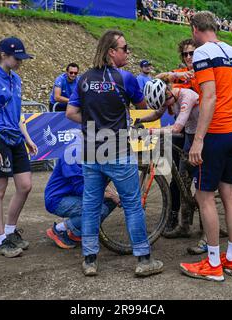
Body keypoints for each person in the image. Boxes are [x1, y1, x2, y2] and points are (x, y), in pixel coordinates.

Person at [65, 30, 164, 277]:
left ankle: (89, 260)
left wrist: (92, 125)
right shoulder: (126, 79)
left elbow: (70, 113)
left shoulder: (84, 79)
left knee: (90, 206)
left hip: (91, 150)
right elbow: (144, 108)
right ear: (111, 51)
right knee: (132, 205)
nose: (127, 52)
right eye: (124, 48)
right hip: (118, 150)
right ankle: (144, 259)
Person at [180, 11, 232, 282]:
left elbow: (208, 97)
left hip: (216, 133)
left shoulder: (203, 53)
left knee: (204, 197)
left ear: (195, 29)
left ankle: (213, 263)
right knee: (228, 195)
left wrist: (198, 139)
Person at [0, 37, 38, 258]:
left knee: (25, 185)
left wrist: (27, 138)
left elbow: (18, 114)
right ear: (3, 55)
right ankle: (1, 239)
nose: (20, 61)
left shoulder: (17, 79)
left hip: (15, 137)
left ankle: (11, 231)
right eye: (17, 57)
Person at [154, 38, 198, 239]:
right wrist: (177, 74)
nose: (188, 57)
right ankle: (174, 217)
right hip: (180, 131)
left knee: (195, 176)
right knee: (177, 178)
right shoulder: (179, 75)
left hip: (197, 128)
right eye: (185, 54)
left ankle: (197, 216)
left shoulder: (204, 72)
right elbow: (157, 78)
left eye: (192, 53)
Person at [44, 131, 120, 249]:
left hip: (71, 195)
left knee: (111, 200)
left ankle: (77, 231)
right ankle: (58, 230)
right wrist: (111, 195)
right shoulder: (73, 154)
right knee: (100, 209)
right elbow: (81, 189)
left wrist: (113, 194)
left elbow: (99, 180)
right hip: (57, 200)